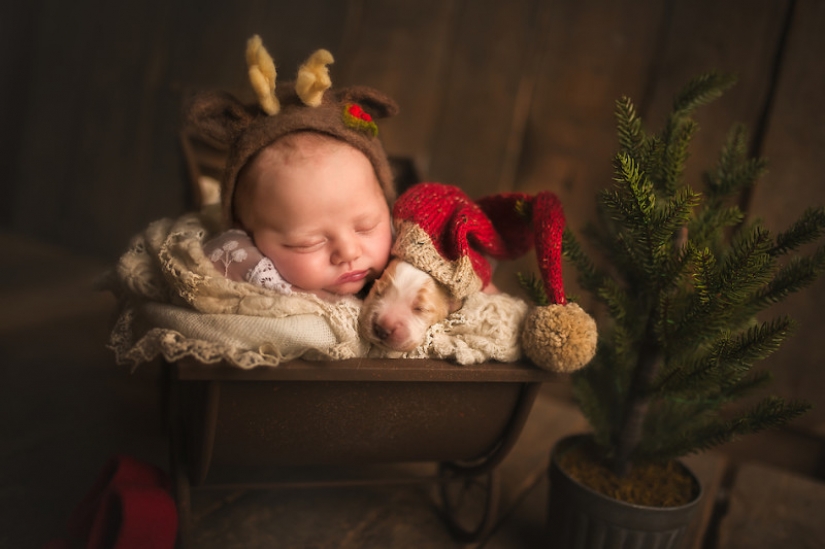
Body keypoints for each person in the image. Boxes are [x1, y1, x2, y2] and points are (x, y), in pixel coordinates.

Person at [189, 37, 399, 300]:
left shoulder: (408, 252)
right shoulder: (234, 262)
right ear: (245, 232)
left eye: (366, 227)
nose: (348, 252)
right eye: (307, 243)